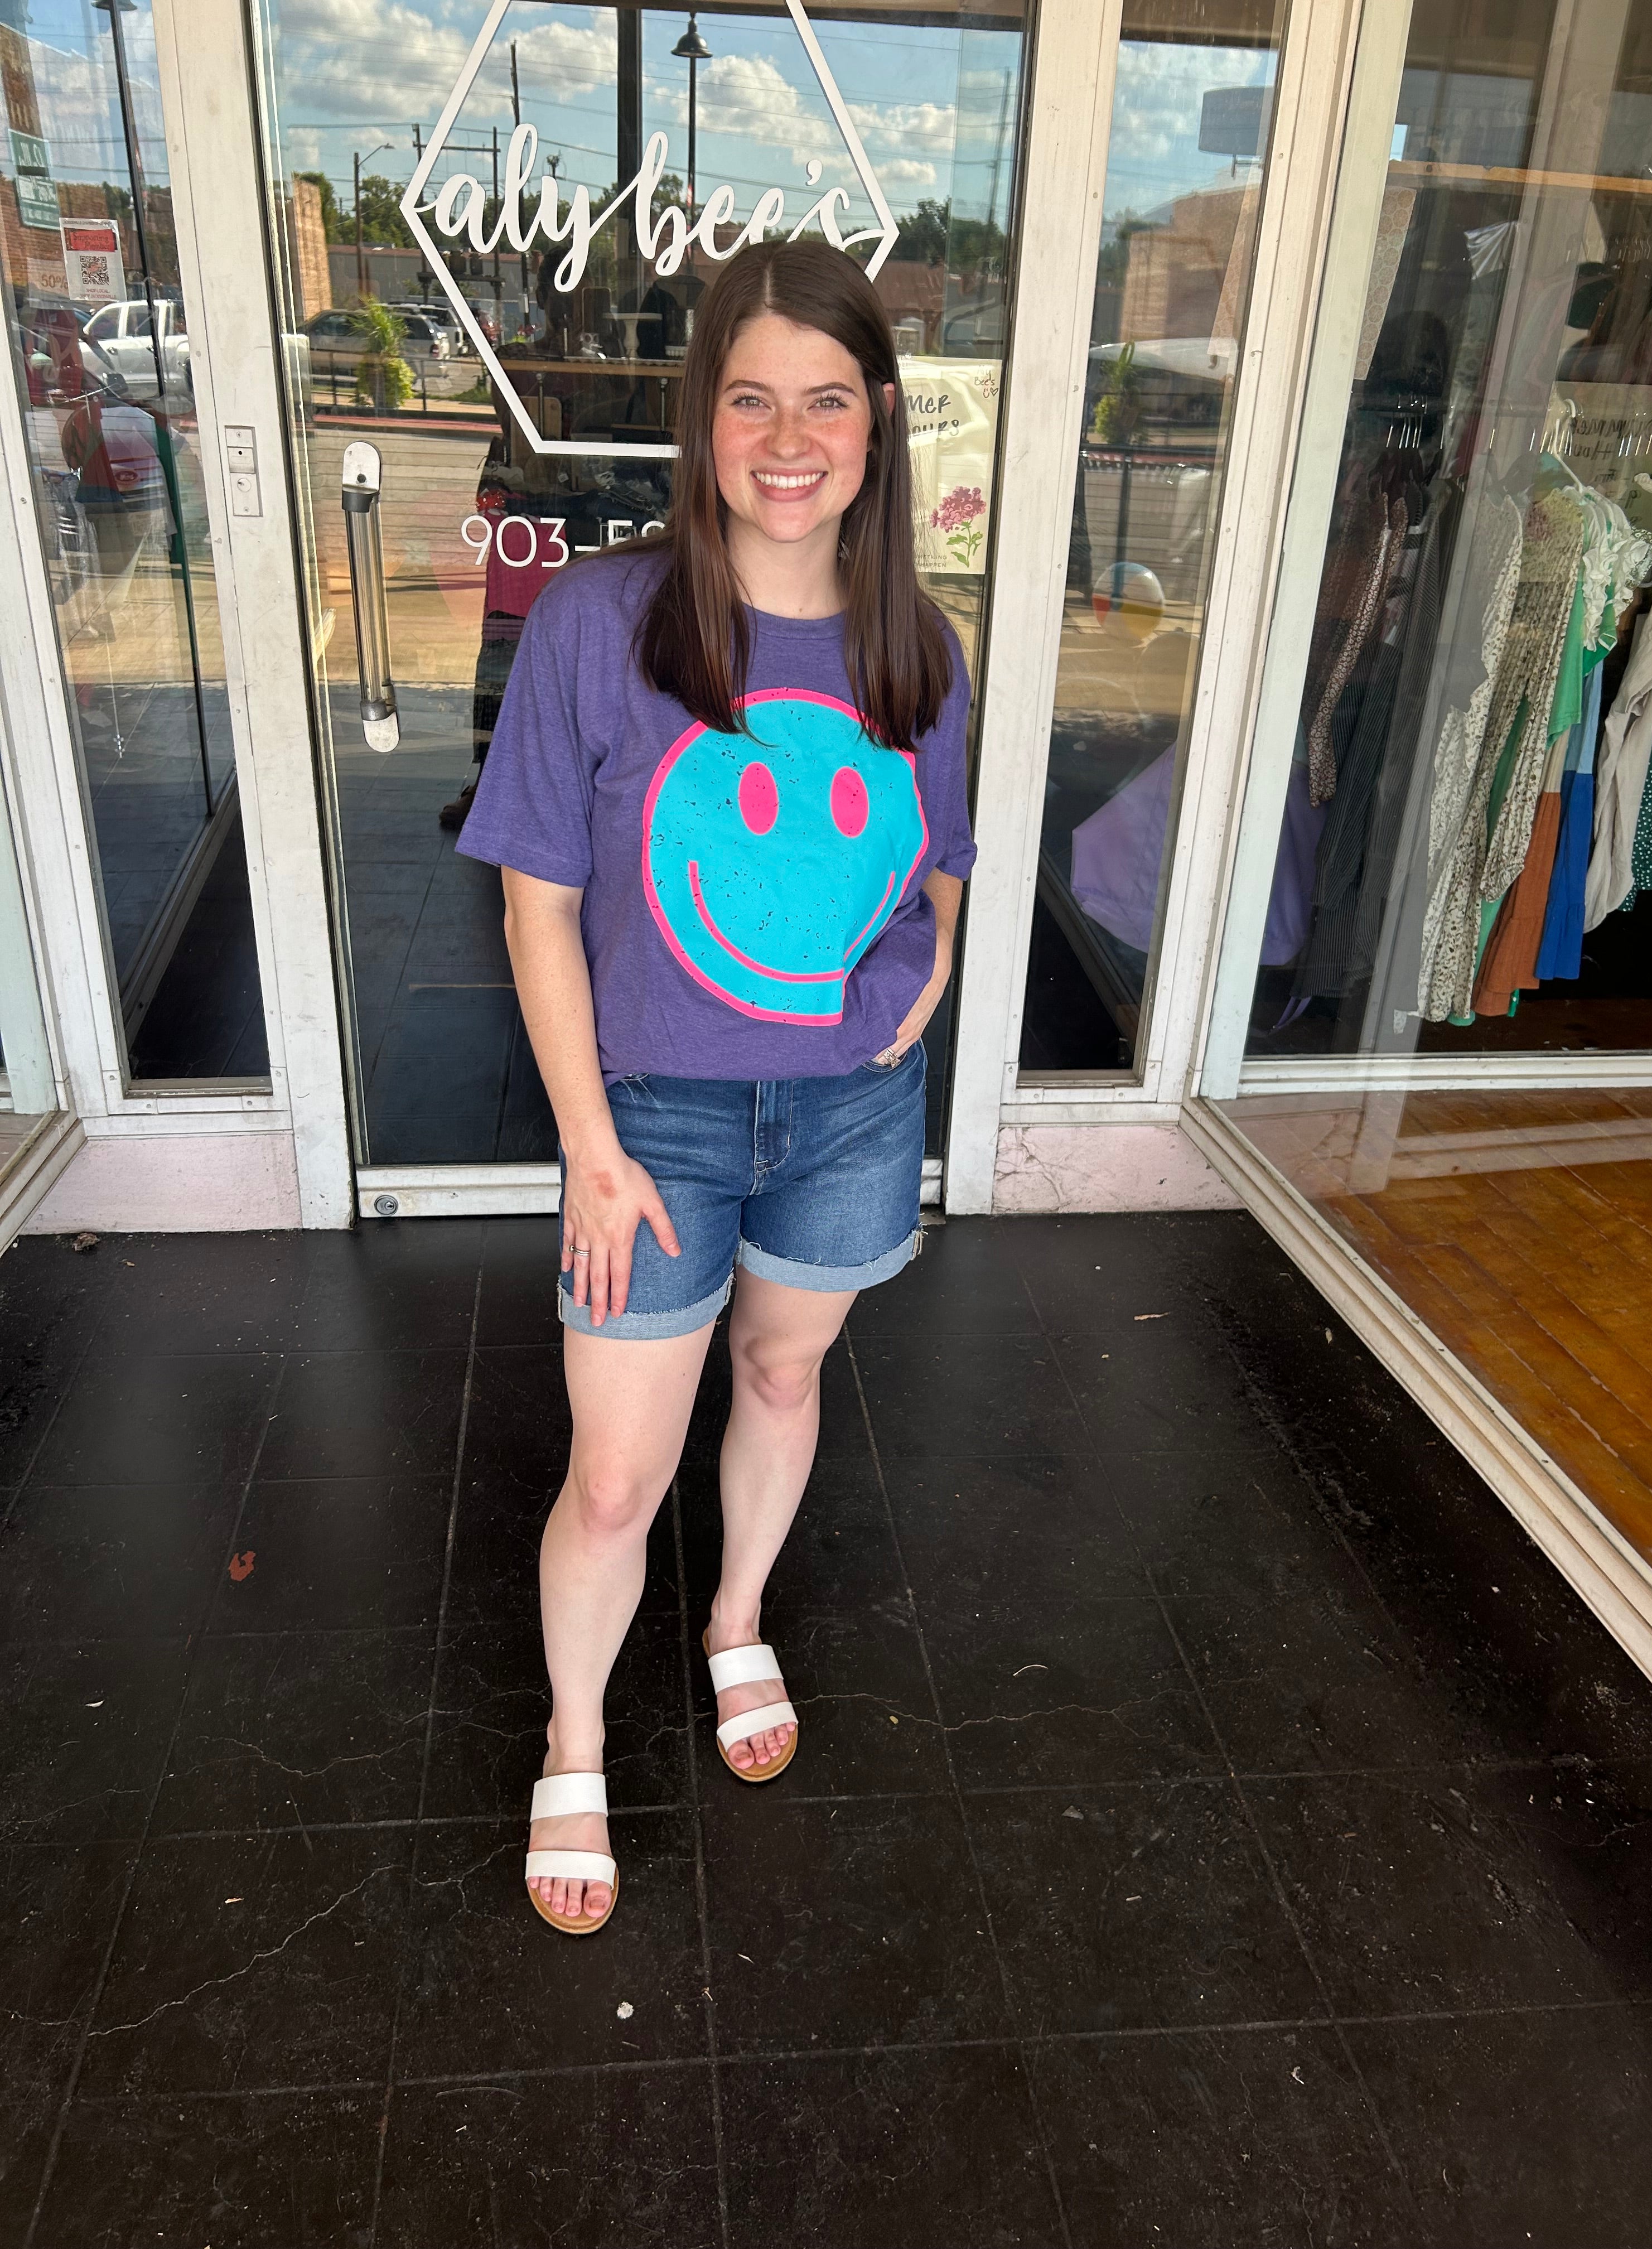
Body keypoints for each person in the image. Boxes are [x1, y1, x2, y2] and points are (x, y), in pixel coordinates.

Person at [455, 239, 975, 1935]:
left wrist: (927, 978)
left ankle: (737, 1613)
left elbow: (942, 866)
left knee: (781, 1370)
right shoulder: (605, 623)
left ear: (877, 422)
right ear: (704, 419)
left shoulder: (921, 648)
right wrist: (591, 1150)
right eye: (750, 395)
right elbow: (535, 906)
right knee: (615, 1476)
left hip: (844, 1116)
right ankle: (575, 1732)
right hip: (653, 1118)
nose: (788, 434)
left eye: (826, 397)